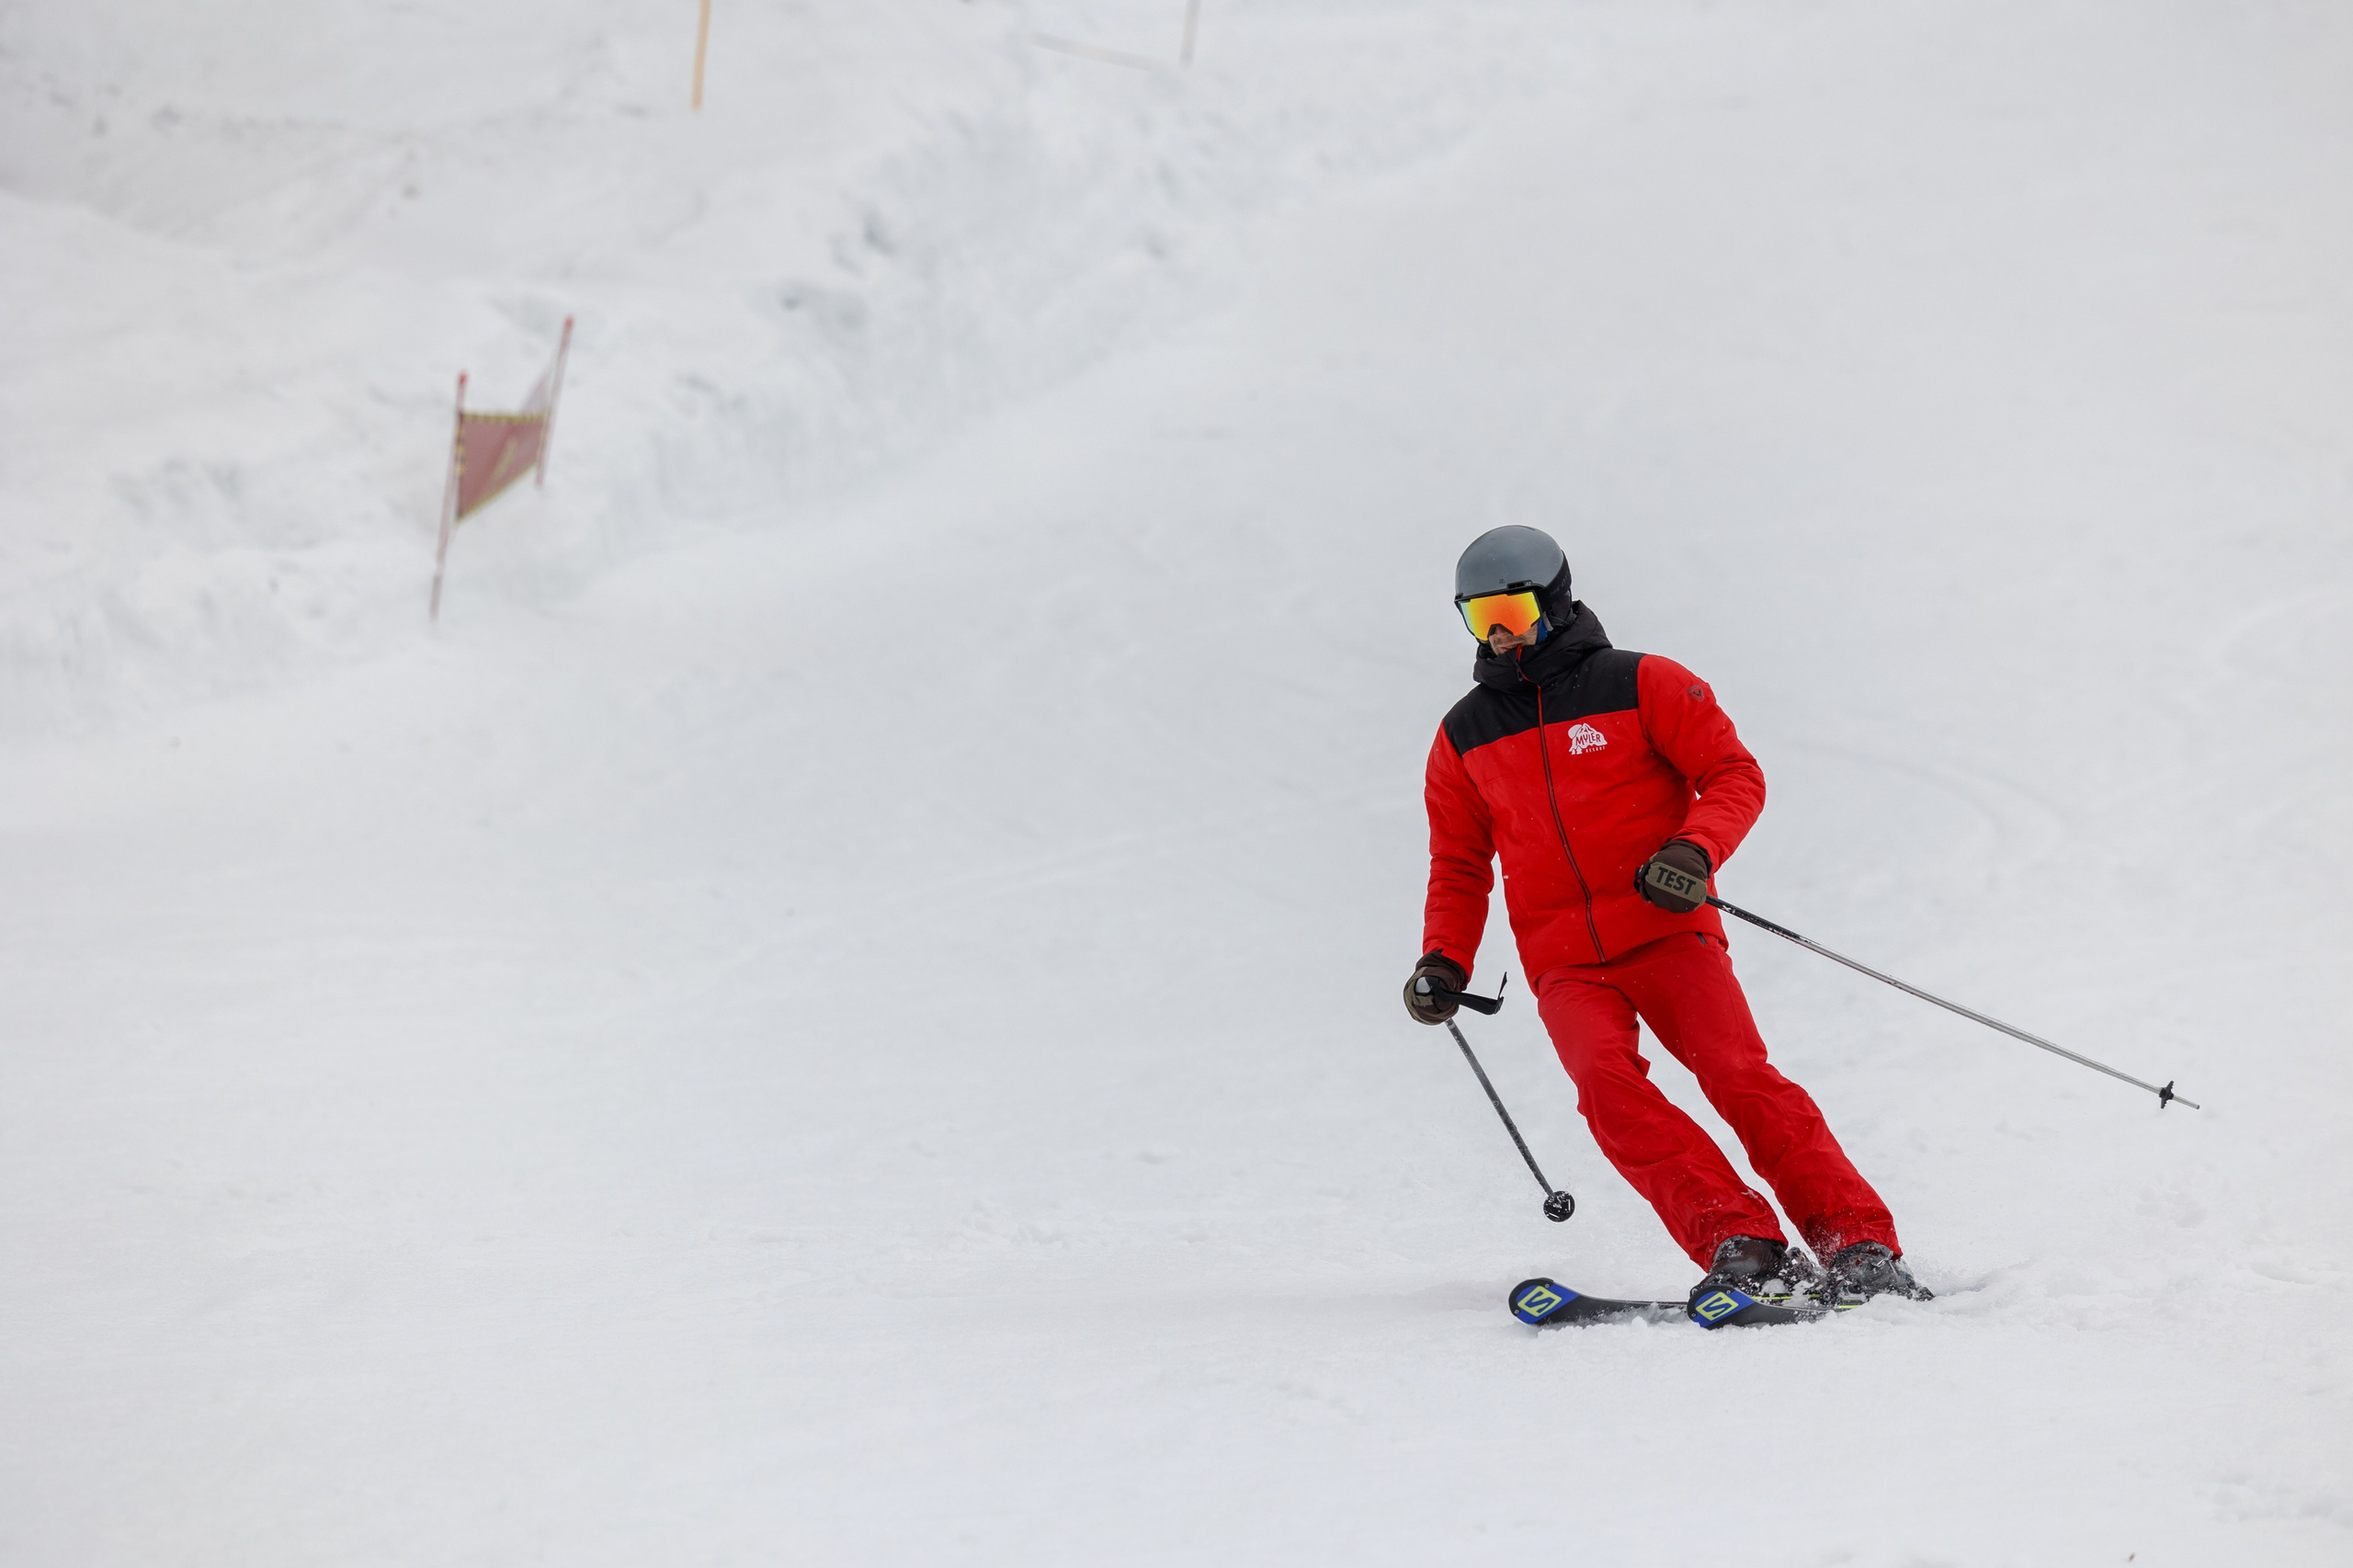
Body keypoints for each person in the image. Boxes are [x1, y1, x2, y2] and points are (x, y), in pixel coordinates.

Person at [1404, 525, 1929, 1307]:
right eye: (1482, 619)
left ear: (1555, 601)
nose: (1502, 634)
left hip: (1665, 928)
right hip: (1564, 957)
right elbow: (1459, 862)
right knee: (1607, 1092)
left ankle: (1856, 1243)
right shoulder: (1464, 734)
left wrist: (1692, 853)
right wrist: (1444, 959)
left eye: (1512, 610)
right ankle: (1739, 1240)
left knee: (1737, 1076)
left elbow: (1732, 774)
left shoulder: (1642, 682)